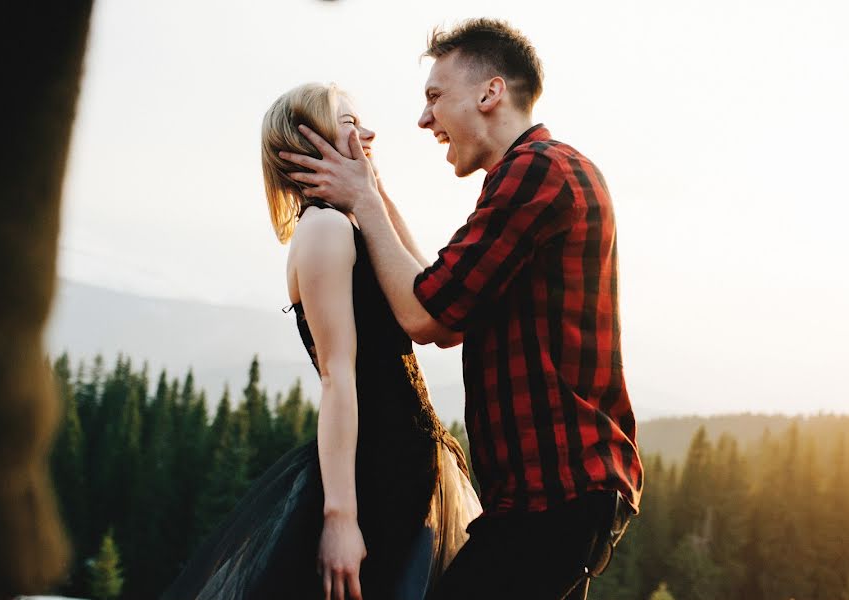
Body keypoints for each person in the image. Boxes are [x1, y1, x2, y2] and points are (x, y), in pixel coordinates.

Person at [280, 18, 644, 599]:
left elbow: (428, 315)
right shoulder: (534, 176)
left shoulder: (538, 173)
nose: (424, 120)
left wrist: (365, 200)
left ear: (489, 92)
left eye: (433, 97)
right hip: (552, 499)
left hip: (556, 496)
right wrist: (372, 192)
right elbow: (442, 307)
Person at [160, 83, 480, 600]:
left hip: (411, 467)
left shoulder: (352, 222)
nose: (371, 133)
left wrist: (374, 195)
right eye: (352, 122)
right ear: (310, 141)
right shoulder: (326, 229)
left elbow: (431, 299)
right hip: (373, 477)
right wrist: (340, 518)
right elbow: (338, 375)